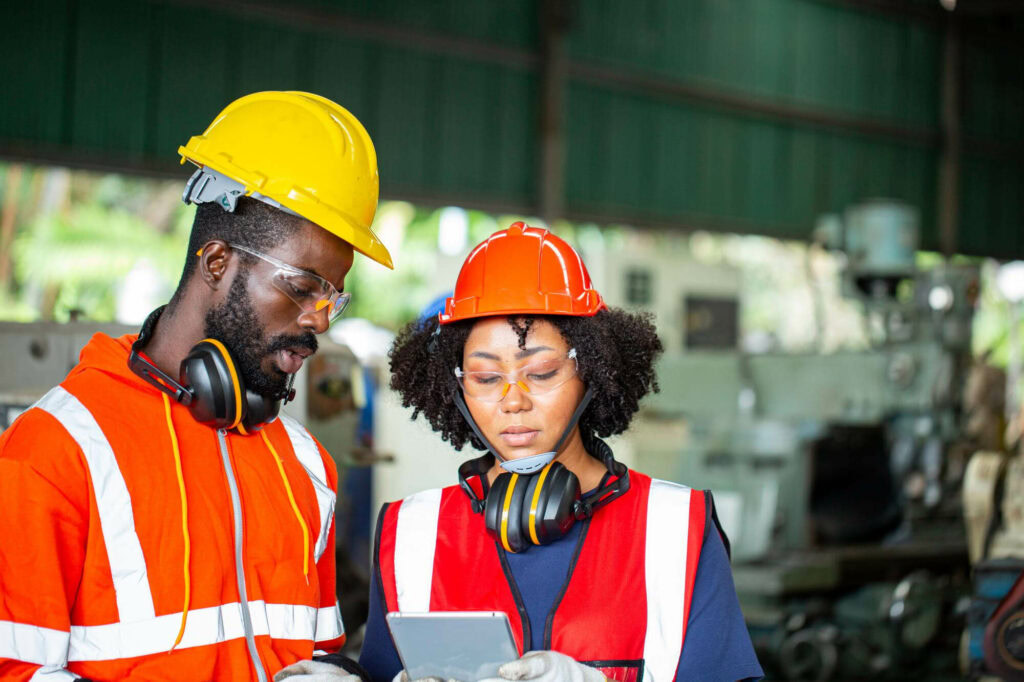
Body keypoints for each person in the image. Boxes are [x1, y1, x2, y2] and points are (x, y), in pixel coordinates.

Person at [0, 91, 391, 681]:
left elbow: (319, 657)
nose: (319, 320)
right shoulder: (57, 452)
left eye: (333, 296)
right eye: (303, 286)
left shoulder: (307, 466)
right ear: (216, 262)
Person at [359, 223, 763, 681]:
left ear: (591, 368)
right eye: (486, 378)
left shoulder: (675, 528)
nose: (513, 400)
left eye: (543, 372)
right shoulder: (410, 534)